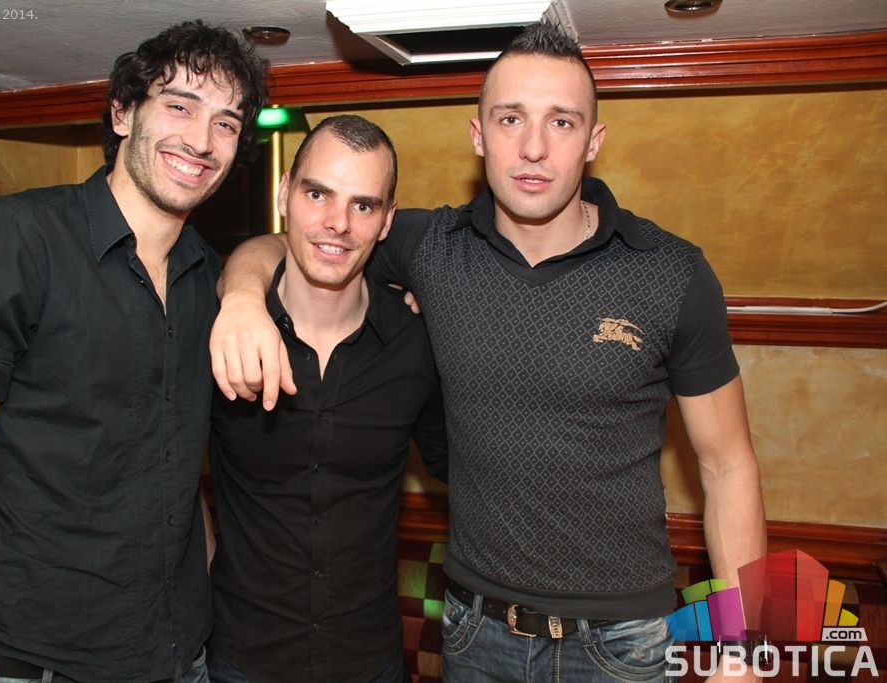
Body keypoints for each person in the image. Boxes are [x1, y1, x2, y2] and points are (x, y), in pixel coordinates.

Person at [210, 21, 765, 683]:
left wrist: (744, 644)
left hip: (623, 641)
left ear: (594, 141)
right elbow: (300, 241)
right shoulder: (429, 247)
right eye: (511, 119)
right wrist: (242, 297)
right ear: (479, 136)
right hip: (477, 634)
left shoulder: (668, 273)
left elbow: (728, 465)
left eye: (561, 122)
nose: (533, 147)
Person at [0, 21, 266, 683]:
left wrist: (244, 288)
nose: (202, 141)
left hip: (179, 654)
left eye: (227, 123)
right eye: (180, 106)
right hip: (34, 661)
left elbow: (170, 467)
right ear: (122, 113)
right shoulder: (8, 241)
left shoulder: (208, 278)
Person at [206, 115, 448, 683]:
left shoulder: (416, 343)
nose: (337, 223)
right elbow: (157, 470)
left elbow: (470, 469)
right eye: (317, 194)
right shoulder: (219, 331)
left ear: (386, 221)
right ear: (284, 194)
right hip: (241, 659)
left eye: (363, 205)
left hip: (368, 661)